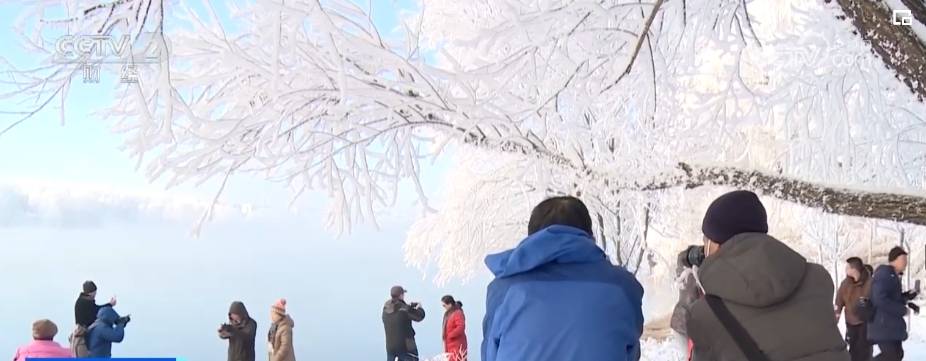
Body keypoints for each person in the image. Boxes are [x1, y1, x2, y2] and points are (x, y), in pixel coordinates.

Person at [685, 190, 848, 361]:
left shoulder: (706, 314)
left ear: (715, 244)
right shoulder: (818, 280)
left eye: (705, 241)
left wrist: (689, 302)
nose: (704, 249)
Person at [481, 196, 644, 361]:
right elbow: (631, 351)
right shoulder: (623, 287)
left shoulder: (504, 289)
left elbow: (489, 355)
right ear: (589, 235)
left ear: (531, 239)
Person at [869, 246, 917, 361]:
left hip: (891, 325)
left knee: (898, 354)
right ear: (894, 260)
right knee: (891, 356)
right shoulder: (884, 274)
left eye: (906, 260)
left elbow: (893, 298)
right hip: (883, 325)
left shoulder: (893, 275)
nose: (905, 263)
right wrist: (902, 310)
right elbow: (879, 299)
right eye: (903, 260)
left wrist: (907, 296)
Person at [835, 257, 873, 361]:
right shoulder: (845, 284)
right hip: (851, 323)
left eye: (847, 267)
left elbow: (876, 301)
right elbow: (839, 301)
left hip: (865, 323)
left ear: (854, 269)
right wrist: (835, 318)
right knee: (853, 351)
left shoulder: (870, 282)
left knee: (865, 351)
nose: (845, 269)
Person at [72, 281, 116, 357]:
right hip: (83, 334)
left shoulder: (83, 300)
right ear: (91, 292)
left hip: (83, 331)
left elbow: (96, 310)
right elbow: (97, 311)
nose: (95, 294)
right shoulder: (85, 302)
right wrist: (110, 304)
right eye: (95, 292)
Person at [383, 286, 426, 361]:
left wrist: (407, 306)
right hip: (406, 345)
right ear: (401, 295)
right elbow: (419, 316)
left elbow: (397, 313)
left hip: (390, 346)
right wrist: (420, 308)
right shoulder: (403, 309)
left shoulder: (385, 309)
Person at [441, 295, 468, 361]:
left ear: (449, 304)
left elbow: (461, 327)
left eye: (444, 305)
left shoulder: (457, 313)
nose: (444, 307)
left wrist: (450, 335)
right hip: (450, 344)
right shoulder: (449, 313)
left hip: (457, 344)